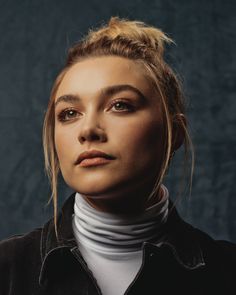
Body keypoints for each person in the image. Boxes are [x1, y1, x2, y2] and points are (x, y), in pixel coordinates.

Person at [0, 16, 235, 295]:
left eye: (120, 105)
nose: (87, 130)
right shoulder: (8, 269)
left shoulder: (226, 273)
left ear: (175, 133)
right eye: (69, 113)